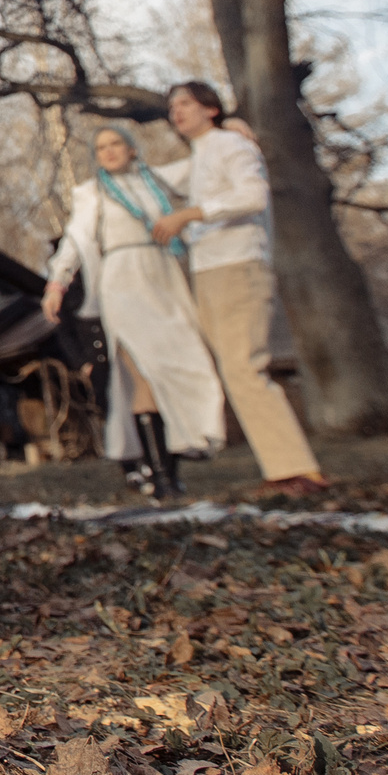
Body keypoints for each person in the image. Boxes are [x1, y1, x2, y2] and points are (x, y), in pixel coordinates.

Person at [147, 82, 328, 498]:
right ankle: (284, 469)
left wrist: (191, 213)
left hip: (239, 264)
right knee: (233, 369)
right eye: (172, 107)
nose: (177, 112)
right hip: (208, 269)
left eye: (186, 103)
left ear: (210, 109)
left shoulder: (232, 144)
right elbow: (148, 178)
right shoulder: (198, 157)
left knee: (246, 366)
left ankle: (297, 472)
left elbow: (252, 196)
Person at [43, 126, 227, 499]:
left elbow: (206, 161)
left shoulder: (155, 180)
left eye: (115, 144)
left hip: (163, 274)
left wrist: (232, 129)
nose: (108, 152)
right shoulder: (91, 193)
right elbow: (75, 238)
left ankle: (181, 458)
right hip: (122, 279)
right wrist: (57, 282)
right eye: (100, 147)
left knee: (179, 363)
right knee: (141, 370)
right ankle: (159, 476)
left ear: (131, 149)